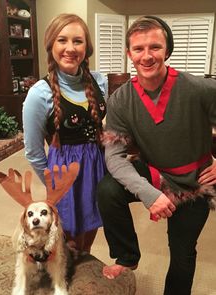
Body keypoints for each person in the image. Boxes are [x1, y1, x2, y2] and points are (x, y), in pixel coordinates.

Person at [97, 15, 216, 295]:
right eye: (138, 49)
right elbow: (114, 157)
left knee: (182, 253)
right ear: (129, 54)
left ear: (167, 50)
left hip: (195, 184)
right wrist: (150, 194)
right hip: (154, 174)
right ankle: (127, 256)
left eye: (155, 47)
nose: (146, 56)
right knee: (107, 189)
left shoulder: (200, 89)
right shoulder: (120, 99)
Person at [23, 13, 107, 253]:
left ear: (86, 47)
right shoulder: (39, 94)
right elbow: (33, 151)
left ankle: (85, 258)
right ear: (51, 45)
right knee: (67, 236)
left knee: (92, 223)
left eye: (78, 41)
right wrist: (54, 185)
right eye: (62, 40)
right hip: (63, 173)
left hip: (97, 166)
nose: (70, 48)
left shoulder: (99, 81)